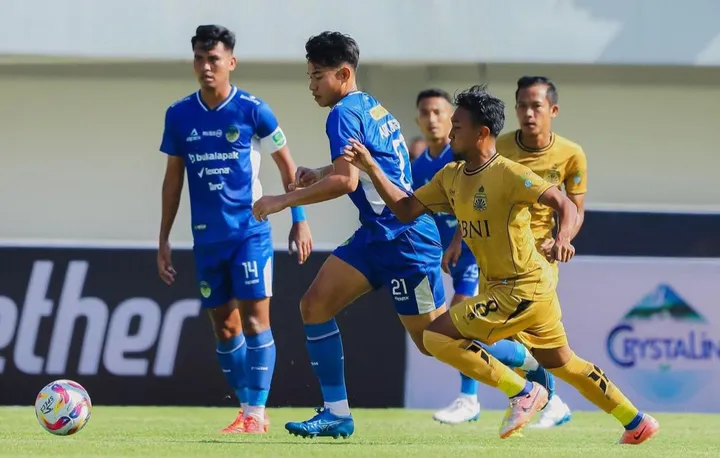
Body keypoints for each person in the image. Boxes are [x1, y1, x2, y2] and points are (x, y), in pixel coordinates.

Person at [342, 84, 659, 444]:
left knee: (436, 337)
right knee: (564, 363)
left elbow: (565, 204)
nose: (449, 132)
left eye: (457, 126)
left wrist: (563, 238)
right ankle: (636, 421)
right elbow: (404, 209)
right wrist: (370, 167)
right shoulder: (450, 177)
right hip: (521, 290)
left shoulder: (509, 173)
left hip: (520, 287)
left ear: (482, 133)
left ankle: (523, 392)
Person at [252, 31, 446, 439]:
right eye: (308, 76)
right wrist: (320, 172)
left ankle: (527, 369)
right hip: (376, 235)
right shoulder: (367, 105)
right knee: (315, 305)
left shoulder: (342, 113)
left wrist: (281, 201)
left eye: (317, 76)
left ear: (343, 72)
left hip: (407, 240)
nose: (311, 85)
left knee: (435, 342)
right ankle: (336, 413)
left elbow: (346, 182)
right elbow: (357, 170)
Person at [156, 24, 313, 434]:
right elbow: (173, 181)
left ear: (231, 62)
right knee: (225, 329)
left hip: (250, 232)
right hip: (207, 239)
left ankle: (257, 414)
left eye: (214, 59)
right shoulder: (179, 114)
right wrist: (163, 239)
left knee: (256, 322)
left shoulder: (254, 109)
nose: (206, 67)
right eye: (199, 59)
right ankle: (247, 409)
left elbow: (287, 167)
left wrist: (299, 220)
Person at [412, 88, 567, 426]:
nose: (435, 120)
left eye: (440, 113)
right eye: (426, 113)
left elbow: (477, 198)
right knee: (436, 339)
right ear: (418, 120)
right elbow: (450, 202)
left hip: (477, 254)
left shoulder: (467, 155)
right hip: (437, 254)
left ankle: (472, 398)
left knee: (454, 329)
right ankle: (529, 369)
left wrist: (458, 240)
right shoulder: (420, 164)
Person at [499, 75, 586, 428]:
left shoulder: (571, 153)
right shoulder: (500, 148)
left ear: (553, 110)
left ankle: (543, 398)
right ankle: (546, 399)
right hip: (500, 254)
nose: (528, 113)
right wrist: (460, 242)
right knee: (510, 336)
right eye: (522, 105)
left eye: (536, 106)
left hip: (542, 256)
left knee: (513, 330)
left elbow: (575, 209)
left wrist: (562, 238)